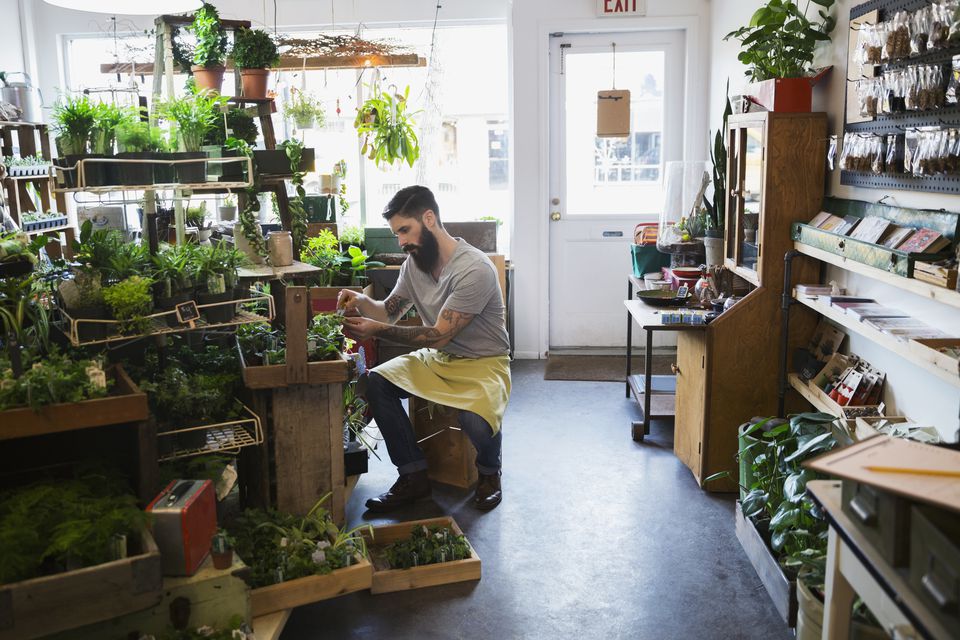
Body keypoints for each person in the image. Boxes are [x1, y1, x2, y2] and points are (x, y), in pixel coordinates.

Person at [337, 185, 511, 512]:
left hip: (484, 362)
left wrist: (377, 330)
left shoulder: (473, 269)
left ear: (429, 219)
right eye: (396, 233)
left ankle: (490, 471)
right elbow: (388, 311)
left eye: (405, 230)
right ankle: (413, 475)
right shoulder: (414, 265)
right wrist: (361, 301)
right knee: (375, 382)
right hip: (438, 359)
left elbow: (438, 335)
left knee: (475, 419)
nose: (401, 241)